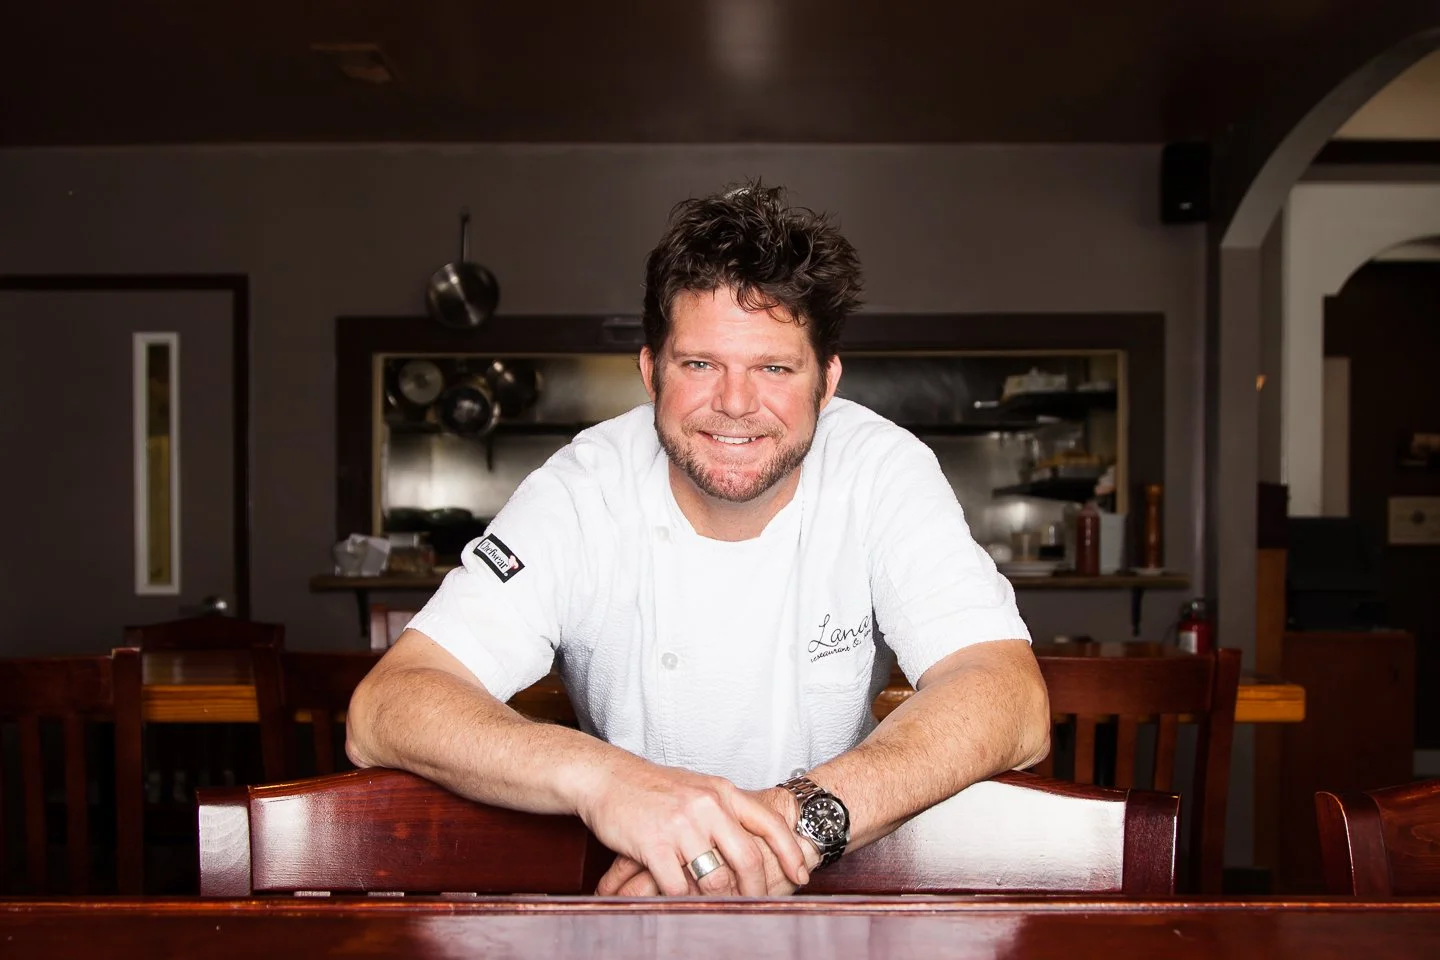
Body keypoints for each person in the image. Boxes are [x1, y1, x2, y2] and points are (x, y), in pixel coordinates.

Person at [346, 180, 1050, 897]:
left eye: (774, 367)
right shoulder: (584, 487)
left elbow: (1008, 698)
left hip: (827, 885)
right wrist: (606, 780)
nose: (736, 405)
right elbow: (386, 708)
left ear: (826, 381)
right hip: (631, 895)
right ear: (652, 370)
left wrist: (791, 831)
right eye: (700, 364)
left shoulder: (882, 470)